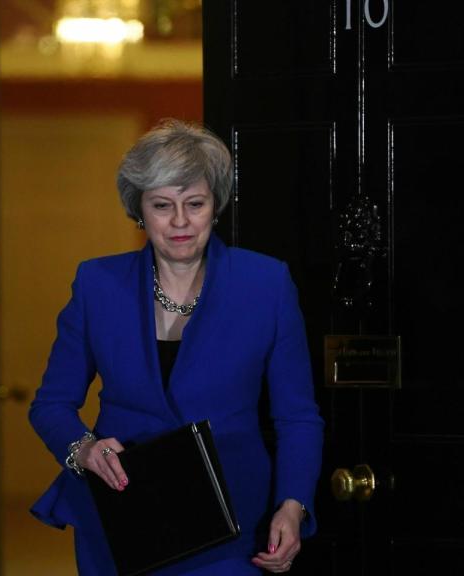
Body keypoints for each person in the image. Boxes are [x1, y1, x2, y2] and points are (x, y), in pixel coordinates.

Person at [28, 119, 324, 575]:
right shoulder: (97, 284)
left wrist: (293, 504)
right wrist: (84, 448)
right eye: (163, 205)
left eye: (195, 204)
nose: (181, 221)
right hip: (121, 518)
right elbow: (51, 405)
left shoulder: (266, 284)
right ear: (139, 210)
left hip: (232, 524)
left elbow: (297, 416)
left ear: (216, 206)